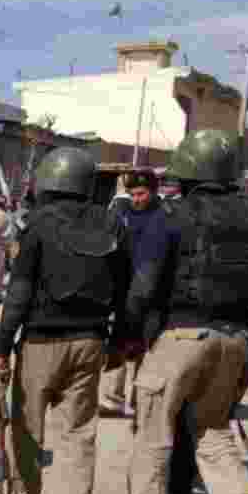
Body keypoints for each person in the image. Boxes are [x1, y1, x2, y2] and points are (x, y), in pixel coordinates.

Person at [122, 129, 248, 494]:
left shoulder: (172, 216)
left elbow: (144, 287)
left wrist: (127, 336)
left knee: (154, 430)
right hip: (235, 339)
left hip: (181, 336)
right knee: (212, 428)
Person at [0, 146, 129, 494]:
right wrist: (119, 341)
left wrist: (1, 345)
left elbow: (18, 291)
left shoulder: (39, 224)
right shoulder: (112, 224)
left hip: (40, 344)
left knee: (28, 428)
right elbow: (127, 292)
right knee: (78, 435)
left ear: (48, 181)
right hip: (90, 343)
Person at [99, 169, 168, 418]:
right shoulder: (123, 213)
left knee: (146, 349)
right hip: (124, 292)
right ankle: (111, 399)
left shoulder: (165, 216)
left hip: (153, 296)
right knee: (118, 344)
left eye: (141, 194)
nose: (136, 199)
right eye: (133, 194)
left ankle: (141, 399)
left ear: (153, 191)